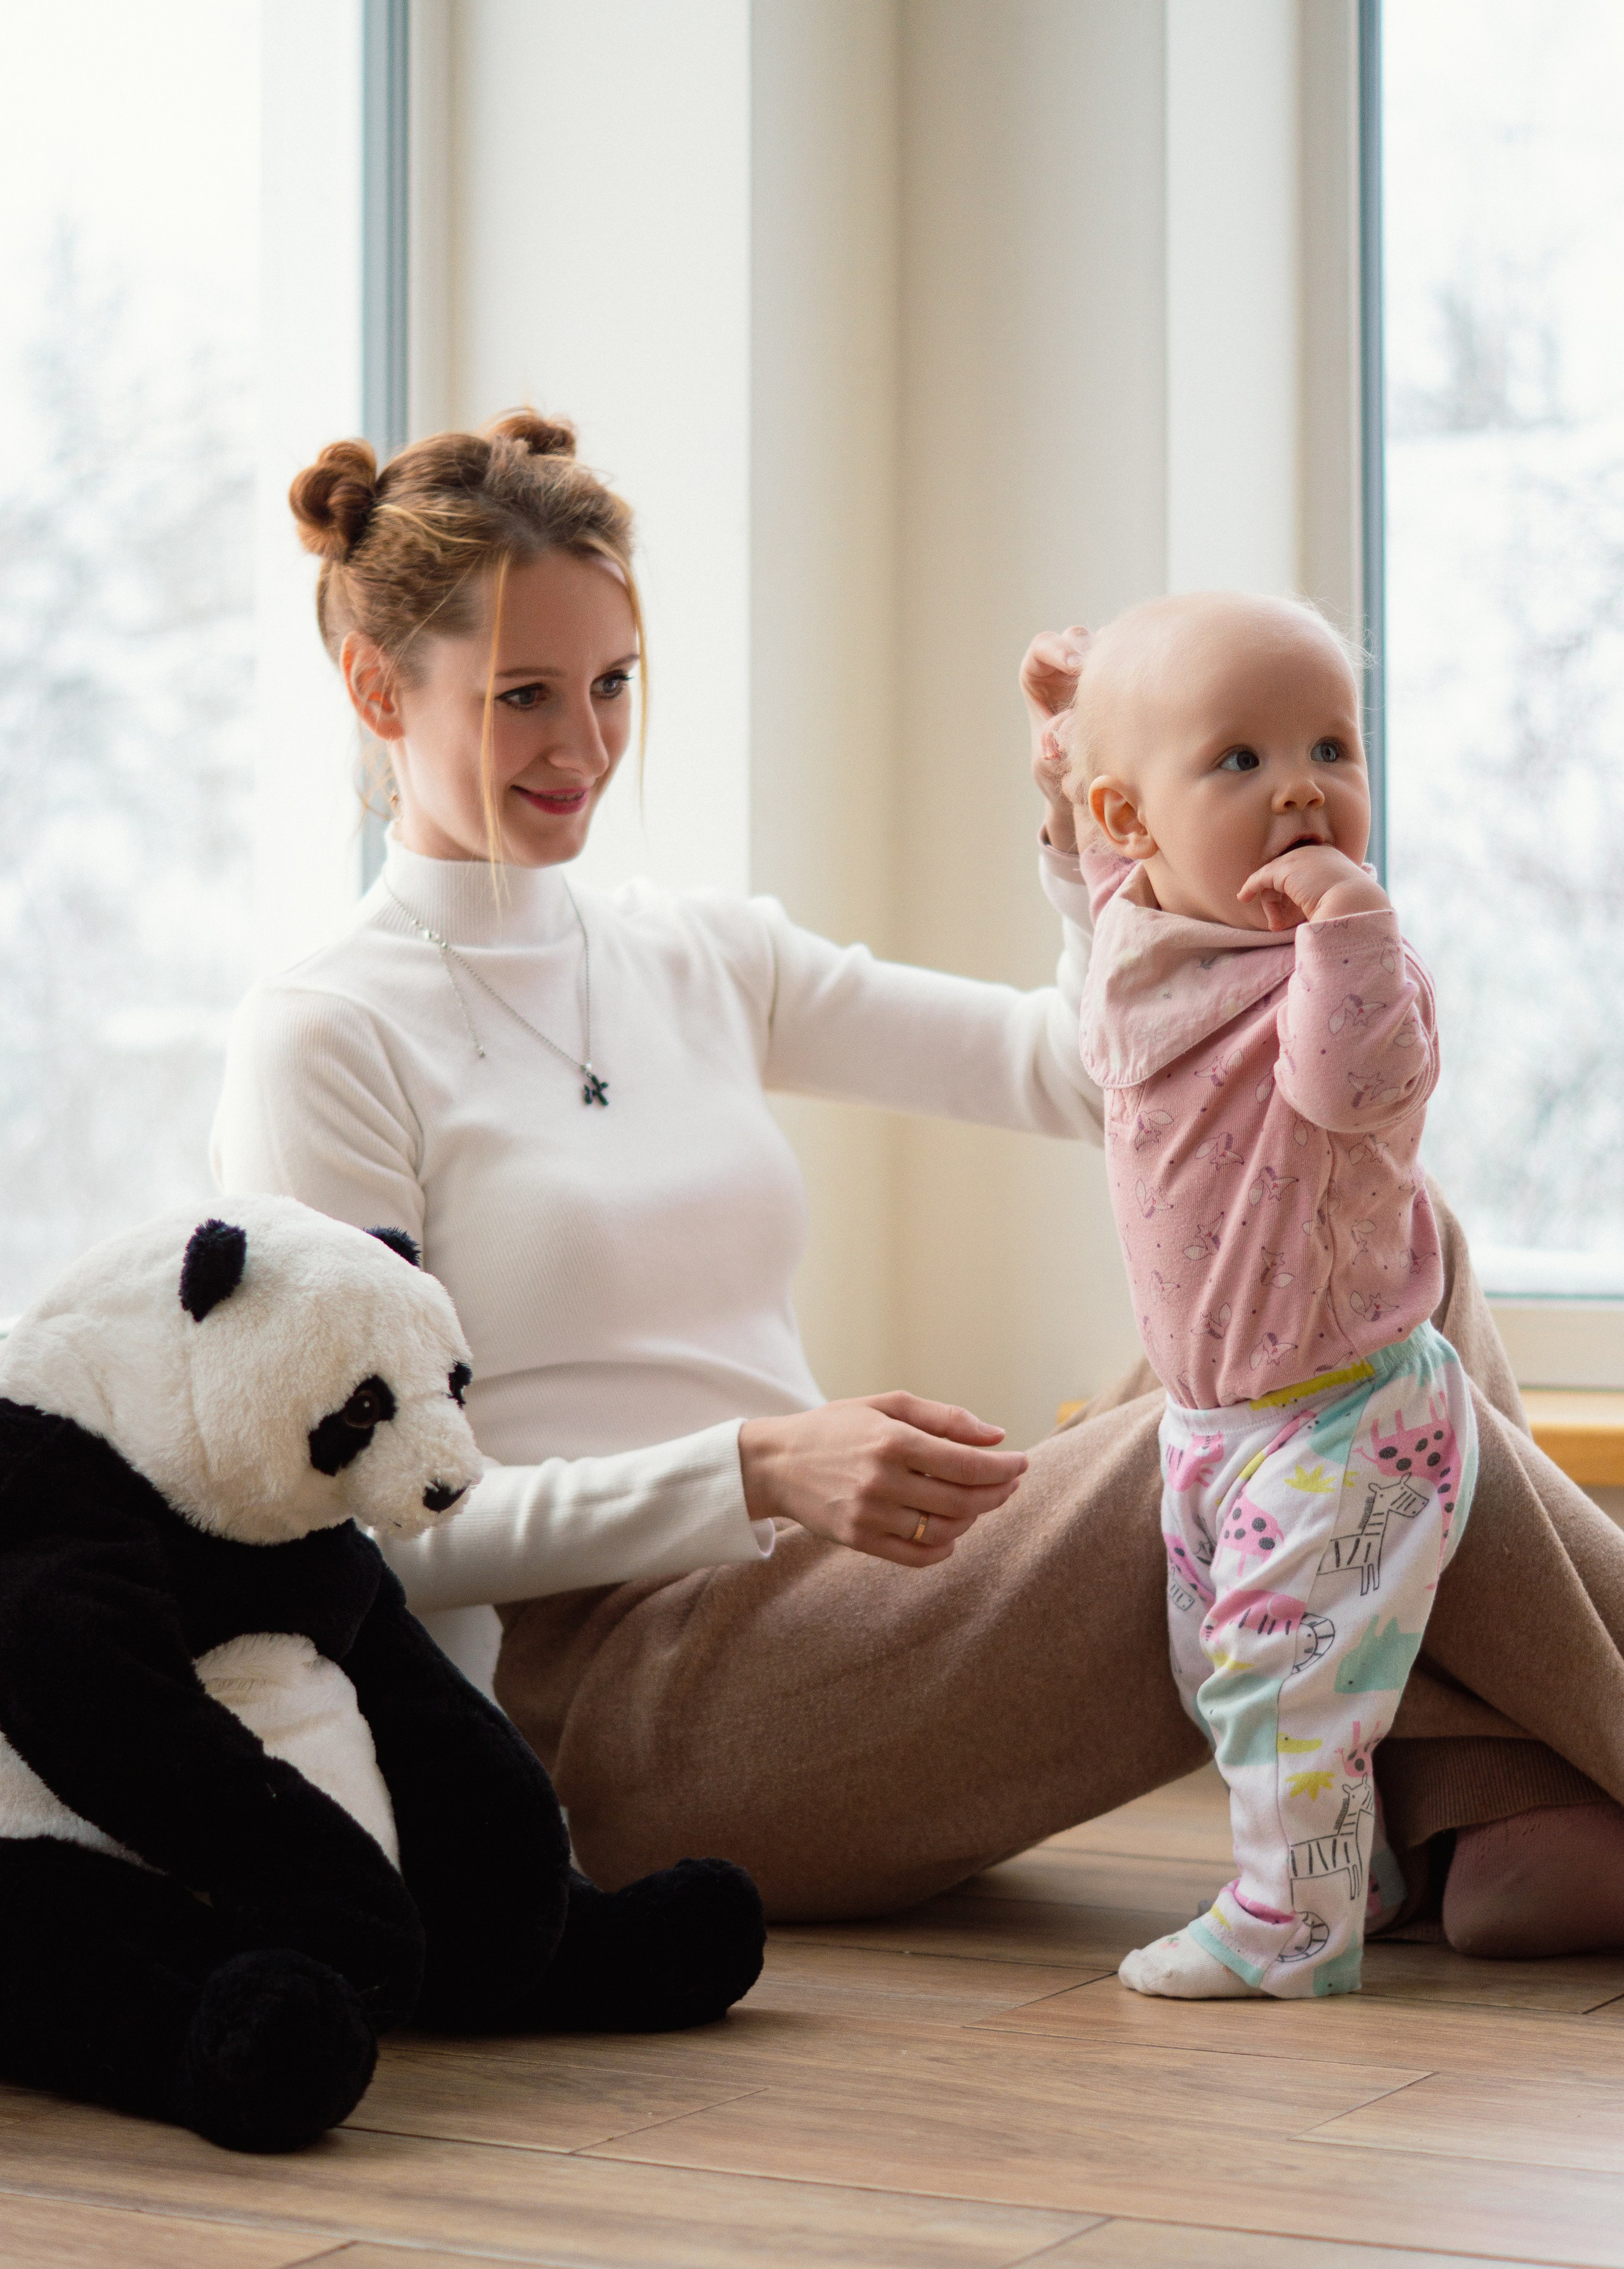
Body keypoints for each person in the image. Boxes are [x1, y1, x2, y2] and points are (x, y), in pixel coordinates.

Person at [215, 410, 1624, 1959]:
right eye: (521, 697)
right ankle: (1504, 1801)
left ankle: (1473, 1813)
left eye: (613, 684)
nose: (583, 745)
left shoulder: (694, 953)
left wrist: (1091, 840)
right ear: (373, 688)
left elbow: (1089, 1077)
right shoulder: (325, 1036)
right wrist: (750, 1469)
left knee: (1383, 1264)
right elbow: (369, 1536)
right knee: (1317, 1401)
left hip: (843, 1602)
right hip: (625, 1706)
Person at [1047, 592, 1472, 2001]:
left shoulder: (1348, 968)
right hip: (1209, 1425)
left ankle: (1286, 1930)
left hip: (1350, 1407)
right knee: (1220, 1677)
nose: (1300, 785)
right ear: (1134, 821)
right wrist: (1065, 738)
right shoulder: (1134, 945)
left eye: (1331, 749)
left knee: (1278, 1679)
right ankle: (1345, 1870)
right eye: (1236, 760)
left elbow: (1348, 1090)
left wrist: (1350, 929)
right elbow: (1082, 868)